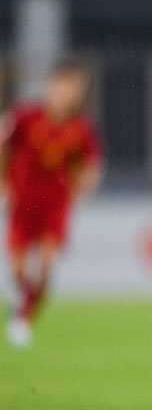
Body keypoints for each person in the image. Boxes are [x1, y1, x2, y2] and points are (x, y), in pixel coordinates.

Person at [2, 59, 103, 349]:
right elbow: (4, 146)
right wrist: (4, 182)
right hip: (23, 203)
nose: (67, 94)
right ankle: (21, 298)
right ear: (52, 86)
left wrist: (87, 183)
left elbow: (91, 165)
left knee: (46, 267)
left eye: (74, 89)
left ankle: (23, 318)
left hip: (56, 205)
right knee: (19, 271)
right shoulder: (26, 117)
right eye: (63, 87)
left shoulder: (82, 128)